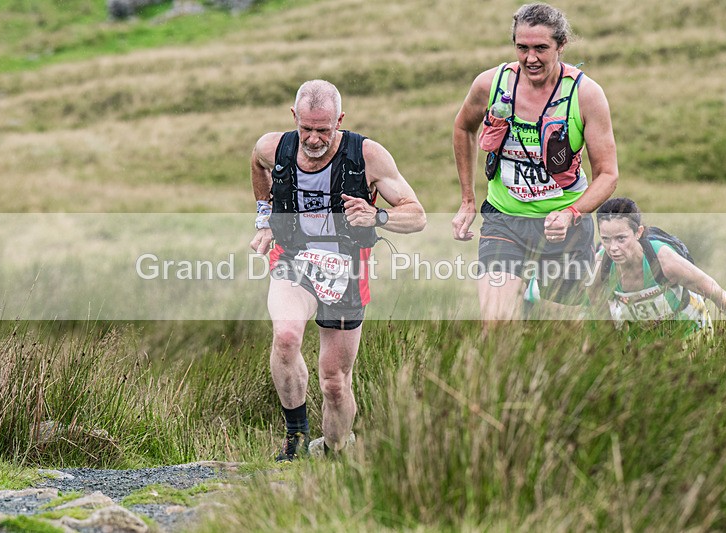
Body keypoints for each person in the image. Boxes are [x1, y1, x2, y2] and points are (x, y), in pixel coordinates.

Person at [249, 79, 426, 461]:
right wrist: (264, 217)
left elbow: (418, 216)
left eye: (323, 131)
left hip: (347, 269)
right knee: (285, 336)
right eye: (306, 129)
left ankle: (334, 450)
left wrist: (377, 215)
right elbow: (258, 163)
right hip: (293, 256)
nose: (313, 140)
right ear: (294, 118)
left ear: (340, 121)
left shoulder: (368, 156)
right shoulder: (273, 147)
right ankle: (295, 440)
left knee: (334, 383)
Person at [451, 3, 618, 326]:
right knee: (496, 325)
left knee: (563, 335)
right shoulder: (490, 84)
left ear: (561, 45)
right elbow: (463, 127)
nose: (530, 58)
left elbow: (608, 175)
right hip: (504, 221)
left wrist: (572, 214)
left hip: (564, 228)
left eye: (541, 48)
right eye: (522, 48)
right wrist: (468, 200)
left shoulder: (585, 95)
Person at [594, 197, 726, 338]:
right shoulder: (602, 265)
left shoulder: (665, 260)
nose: (613, 247)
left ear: (638, 232)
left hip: (687, 327)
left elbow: (715, 292)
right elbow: (597, 307)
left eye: (621, 238)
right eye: (606, 239)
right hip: (640, 336)